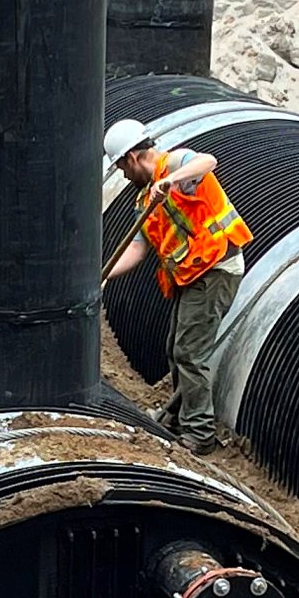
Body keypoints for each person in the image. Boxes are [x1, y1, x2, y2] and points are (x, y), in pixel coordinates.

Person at [99, 118, 252, 455]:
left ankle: (199, 434)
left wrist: (169, 181)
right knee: (175, 347)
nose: (124, 176)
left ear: (133, 158)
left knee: (190, 353)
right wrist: (104, 274)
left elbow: (207, 161)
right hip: (192, 276)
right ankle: (175, 417)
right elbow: (138, 249)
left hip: (216, 270)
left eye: (122, 168)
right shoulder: (145, 201)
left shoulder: (177, 165)